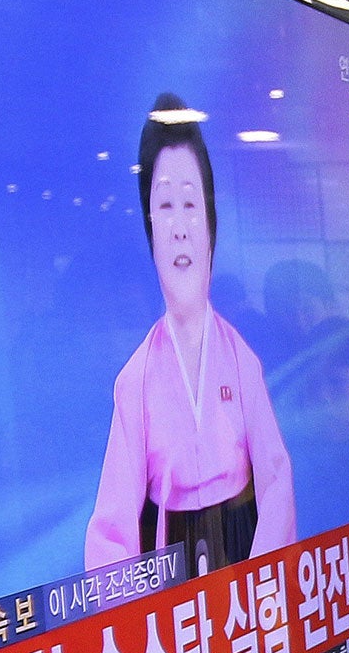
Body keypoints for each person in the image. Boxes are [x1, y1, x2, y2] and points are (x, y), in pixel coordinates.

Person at [87, 94, 295, 572]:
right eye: (165, 205)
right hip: (169, 556)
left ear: (210, 222)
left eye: (190, 203)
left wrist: (261, 580)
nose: (180, 227)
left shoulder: (240, 358)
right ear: (150, 227)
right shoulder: (135, 379)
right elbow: (112, 528)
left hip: (244, 547)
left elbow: (276, 479)